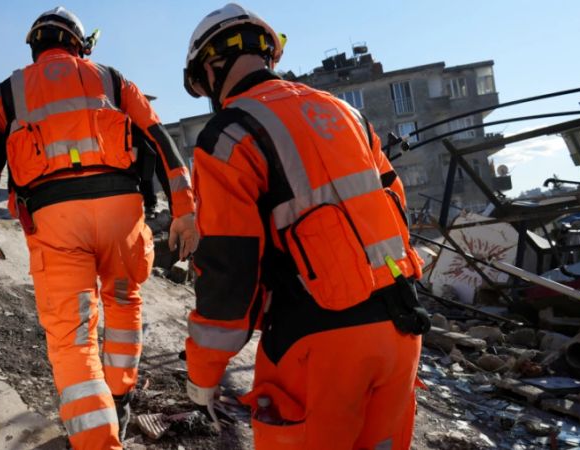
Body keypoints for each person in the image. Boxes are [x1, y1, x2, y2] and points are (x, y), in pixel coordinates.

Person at [181, 4, 429, 449]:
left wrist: (202, 376)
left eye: (201, 85)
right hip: (402, 332)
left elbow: (227, 272)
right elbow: (396, 210)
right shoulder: (346, 114)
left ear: (213, 66)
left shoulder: (229, 135)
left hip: (317, 344)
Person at [0, 7, 198, 449]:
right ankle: (120, 396)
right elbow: (159, 138)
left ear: (35, 47)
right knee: (124, 304)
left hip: (54, 222)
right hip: (121, 216)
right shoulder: (111, 79)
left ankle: (96, 440)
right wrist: (183, 208)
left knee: (72, 341)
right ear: (79, 44)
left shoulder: (10, 92)